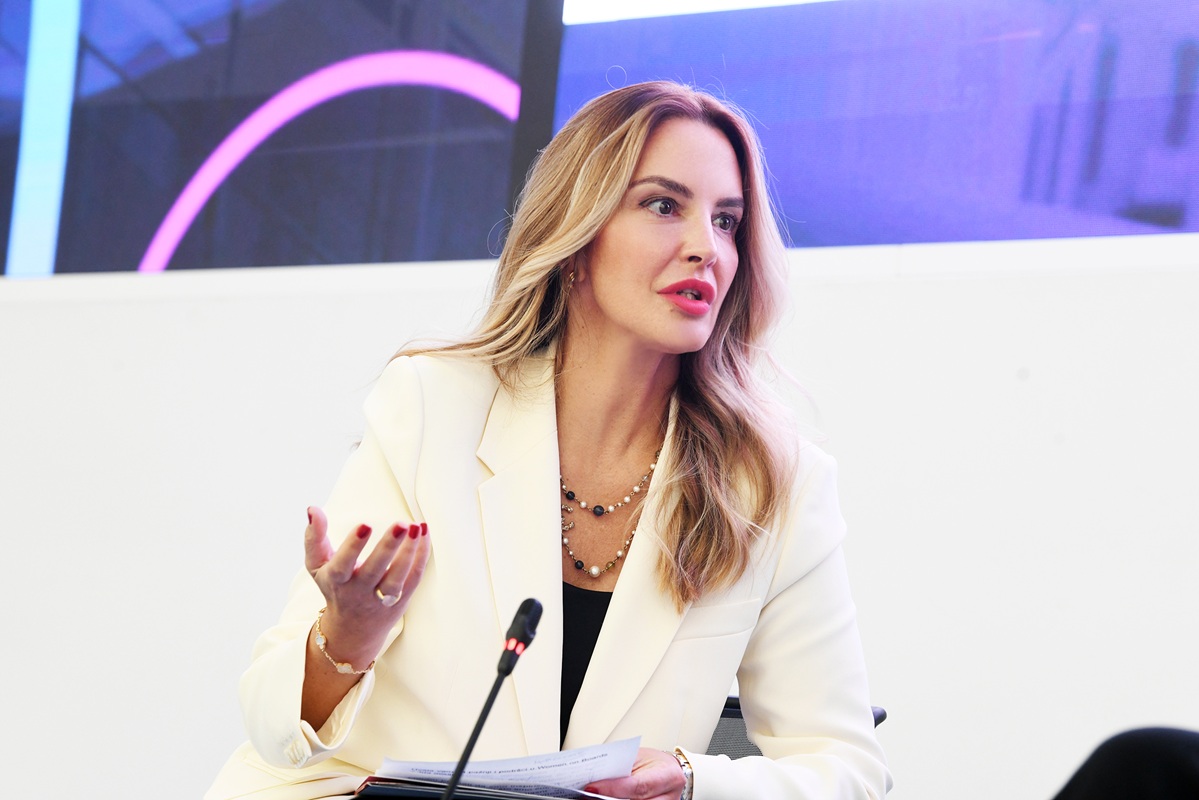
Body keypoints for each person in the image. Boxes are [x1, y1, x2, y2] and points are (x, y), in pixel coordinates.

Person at [207, 80, 891, 800]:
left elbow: (848, 768)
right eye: (664, 206)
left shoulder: (774, 484)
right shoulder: (433, 406)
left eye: (726, 221)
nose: (706, 248)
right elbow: (272, 727)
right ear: (575, 239)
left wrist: (695, 779)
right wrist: (346, 638)